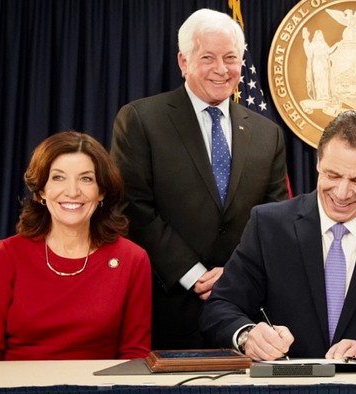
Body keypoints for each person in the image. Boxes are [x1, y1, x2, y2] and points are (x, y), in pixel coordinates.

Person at [200, 111, 356, 360]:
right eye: (333, 175)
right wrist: (247, 336)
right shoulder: (269, 226)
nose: (342, 193)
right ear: (318, 163)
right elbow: (220, 307)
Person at [110, 8, 289, 349]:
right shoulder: (140, 120)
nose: (221, 69)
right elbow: (133, 207)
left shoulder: (268, 134)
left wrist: (234, 276)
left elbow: (274, 218)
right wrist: (193, 275)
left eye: (231, 58)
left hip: (244, 313)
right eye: (208, 57)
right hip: (165, 308)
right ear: (183, 61)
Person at [0, 131, 151, 360]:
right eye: (58, 177)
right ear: (41, 191)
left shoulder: (132, 259)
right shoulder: (9, 253)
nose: (72, 192)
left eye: (86, 178)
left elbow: (134, 354)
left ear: (101, 191)